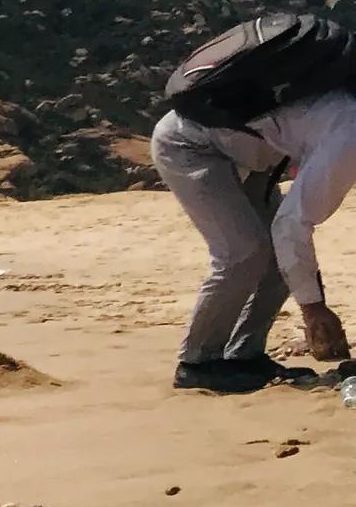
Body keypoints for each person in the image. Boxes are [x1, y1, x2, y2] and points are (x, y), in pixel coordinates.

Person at [152, 85, 356, 390]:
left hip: (248, 154)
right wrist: (314, 309)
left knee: (277, 258)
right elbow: (291, 225)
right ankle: (197, 363)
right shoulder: (348, 132)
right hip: (190, 144)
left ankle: (243, 355)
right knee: (243, 253)